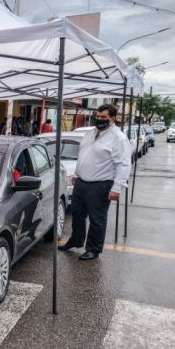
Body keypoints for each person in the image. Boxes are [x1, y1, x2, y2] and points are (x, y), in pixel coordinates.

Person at [58, 104, 131, 260]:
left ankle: (93, 249)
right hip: (81, 182)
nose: (99, 119)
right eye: (97, 116)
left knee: (96, 219)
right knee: (77, 215)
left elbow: (124, 165)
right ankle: (75, 241)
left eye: (103, 117)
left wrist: (117, 189)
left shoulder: (118, 138)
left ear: (113, 118)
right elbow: (84, 154)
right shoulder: (91, 133)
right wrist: (77, 174)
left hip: (101, 185)